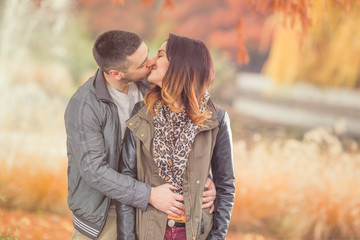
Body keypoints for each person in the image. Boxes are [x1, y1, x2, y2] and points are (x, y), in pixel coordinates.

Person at [64, 30, 216, 240]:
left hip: (147, 217)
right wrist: (150, 195)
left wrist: (206, 181)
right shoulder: (85, 106)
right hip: (102, 219)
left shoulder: (152, 90)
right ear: (116, 73)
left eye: (149, 55)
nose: (152, 63)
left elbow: (186, 139)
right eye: (142, 63)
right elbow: (93, 171)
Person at [117, 33, 235, 240]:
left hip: (194, 233)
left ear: (180, 66)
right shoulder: (141, 113)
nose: (151, 62)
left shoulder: (216, 118)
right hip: (149, 231)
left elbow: (226, 185)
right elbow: (127, 178)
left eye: (160, 55)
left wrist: (216, 237)